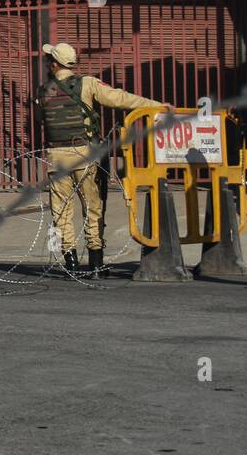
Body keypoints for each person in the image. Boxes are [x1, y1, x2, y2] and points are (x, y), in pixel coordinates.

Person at [36, 42, 167, 278]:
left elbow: (41, 121)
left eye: (49, 60)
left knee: (62, 211)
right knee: (93, 208)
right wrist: (156, 106)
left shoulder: (42, 91)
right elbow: (120, 98)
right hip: (85, 155)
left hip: (56, 157)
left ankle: (71, 264)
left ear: (54, 64)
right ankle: (96, 264)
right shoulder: (87, 83)